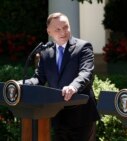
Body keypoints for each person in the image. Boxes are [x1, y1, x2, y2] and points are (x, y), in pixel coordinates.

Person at [20, 12, 100, 141]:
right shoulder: (45, 53)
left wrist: (73, 87)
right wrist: (20, 84)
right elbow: (39, 79)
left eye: (66, 27)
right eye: (58, 29)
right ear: (49, 31)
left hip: (81, 114)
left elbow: (86, 72)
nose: (63, 32)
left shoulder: (83, 47)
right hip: (57, 113)